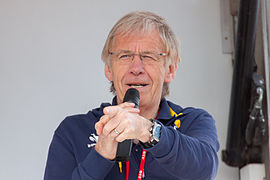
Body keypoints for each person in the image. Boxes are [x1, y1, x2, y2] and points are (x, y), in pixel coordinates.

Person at [44, 11, 219, 180]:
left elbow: (205, 170)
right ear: (109, 69)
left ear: (170, 70)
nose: (136, 68)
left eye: (149, 56)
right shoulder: (73, 130)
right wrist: (100, 156)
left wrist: (148, 131)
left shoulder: (193, 122)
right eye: (125, 56)